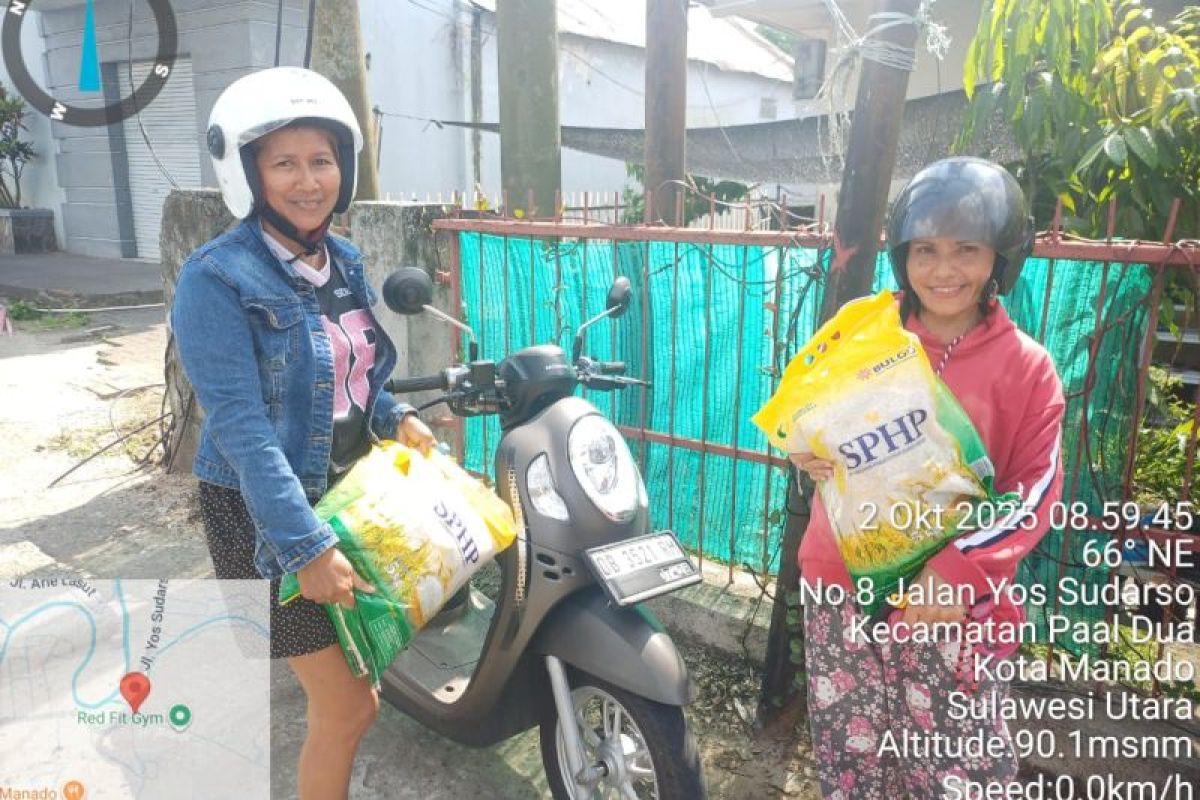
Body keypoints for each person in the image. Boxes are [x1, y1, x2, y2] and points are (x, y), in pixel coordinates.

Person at [171, 67, 436, 800]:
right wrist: (305, 548)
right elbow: (243, 426)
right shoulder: (215, 279)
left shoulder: (340, 258)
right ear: (248, 172)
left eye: (321, 159)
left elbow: (351, 375)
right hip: (263, 515)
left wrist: (394, 416)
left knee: (358, 683)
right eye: (284, 162)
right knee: (350, 705)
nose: (307, 180)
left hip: (343, 495)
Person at [789, 157, 1065, 799]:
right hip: (842, 587)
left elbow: (1035, 490)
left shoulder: (1027, 369)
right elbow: (807, 414)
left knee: (957, 769)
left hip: (952, 606)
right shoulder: (863, 330)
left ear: (1000, 256)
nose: (944, 271)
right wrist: (805, 452)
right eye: (926, 251)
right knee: (852, 759)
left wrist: (957, 570)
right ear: (902, 256)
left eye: (966, 250)